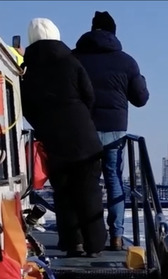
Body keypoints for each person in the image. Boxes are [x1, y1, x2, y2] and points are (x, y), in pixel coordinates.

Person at [20, 18, 107, 257]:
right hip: (83, 135)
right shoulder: (71, 61)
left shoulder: (29, 70)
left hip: (54, 139)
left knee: (64, 192)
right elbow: (88, 95)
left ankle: (73, 243)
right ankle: (95, 243)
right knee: (89, 190)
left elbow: (26, 108)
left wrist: (45, 127)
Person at [73, 11, 149, 251]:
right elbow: (140, 99)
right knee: (114, 180)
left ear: (92, 29)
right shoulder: (126, 61)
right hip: (115, 130)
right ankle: (116, 236)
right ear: (114, 33)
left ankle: (88, 234)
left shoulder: (75, 58)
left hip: (84, 129)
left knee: (87, 182)